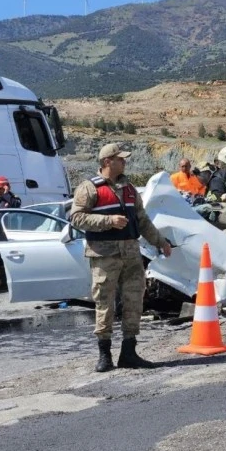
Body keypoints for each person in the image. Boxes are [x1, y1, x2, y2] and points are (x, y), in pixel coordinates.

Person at [70, 143, 172, 373]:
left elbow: (143, 220)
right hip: (104, 253)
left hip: (131, 253)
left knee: (134, 300)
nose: (124, 162)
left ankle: (129, 351)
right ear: (107, 161)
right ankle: (104, 355)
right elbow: (76, 218)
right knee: (105, 303)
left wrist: (161, 242)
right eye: (120, 159)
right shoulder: (89, 188)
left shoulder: (129, 189)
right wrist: (108, 221)